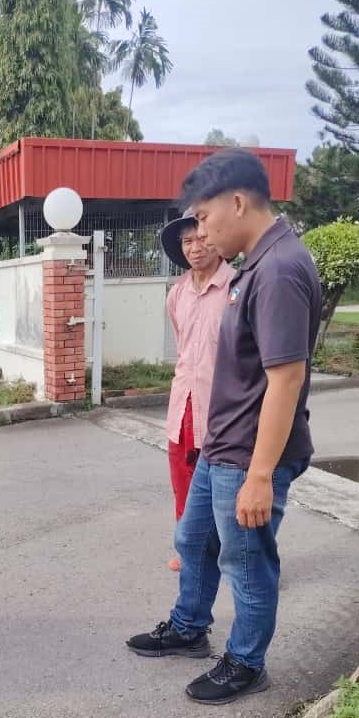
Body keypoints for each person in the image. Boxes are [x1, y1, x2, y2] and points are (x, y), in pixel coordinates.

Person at [127, 149, 321, 705]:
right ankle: (189, 627)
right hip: (221, 445)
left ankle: (246, 661)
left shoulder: (280, 270)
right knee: (192, 540)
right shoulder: (256, 266)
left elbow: (285, 381)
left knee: (246, 560)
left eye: (206, 217)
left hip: (249, 456)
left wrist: (261, 475)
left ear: (238, 202)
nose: (202, 231)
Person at [161, 208, 234, 570]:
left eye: (202, 238)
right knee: (182, 480)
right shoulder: (177, 294)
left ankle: (234, 554)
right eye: (187, 241)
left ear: (217, 240)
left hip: (223, 408)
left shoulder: (237, 289)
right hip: (183, 404)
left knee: (226, 486)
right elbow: (183, 348)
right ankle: (187, 548)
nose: (195, 248)